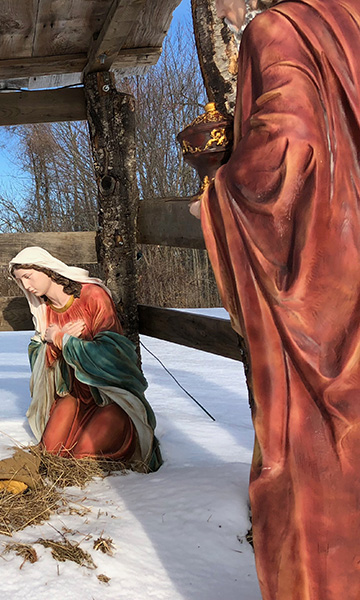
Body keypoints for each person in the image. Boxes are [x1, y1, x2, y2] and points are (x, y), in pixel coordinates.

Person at [187, 1, 360, 597]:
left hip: (323, 276)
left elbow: (289, 148)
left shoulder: (279, 27)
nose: (221, 8)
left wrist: (219, 191)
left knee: (317, 462)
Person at [9, 247, 161, 472]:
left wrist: (63, 340)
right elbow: (39, 360)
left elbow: (113, 354)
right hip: (73, 395)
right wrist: (52, 344)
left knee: (83, 458)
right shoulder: (44, 311)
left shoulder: (92, 295)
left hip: (107, 396)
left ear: (47, 269)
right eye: (20, 281)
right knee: (50, 454)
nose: (27, 286)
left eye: (28, 276)